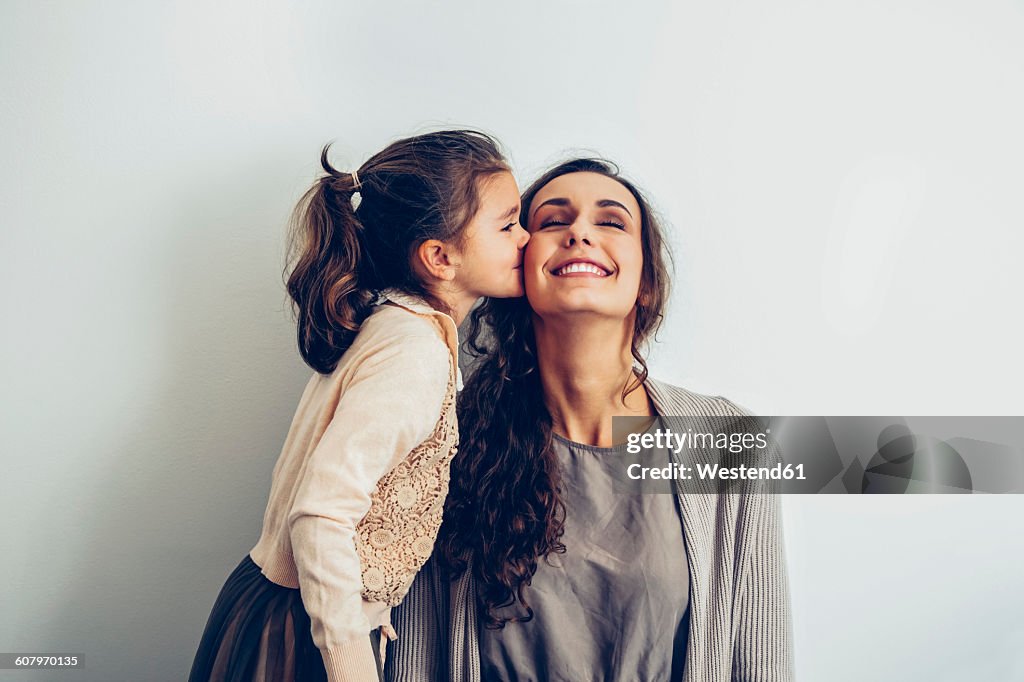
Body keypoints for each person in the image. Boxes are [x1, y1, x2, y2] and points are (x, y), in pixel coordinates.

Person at [385, 158, 793, 681]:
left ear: (646, 280)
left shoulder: (733, 444)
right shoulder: (443, 434)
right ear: (518, 267)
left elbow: (761, 661)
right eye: (554, 221)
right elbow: (415, 654)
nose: (579, 232)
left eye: (611, 221)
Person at [188, 130, 530, 682]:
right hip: (302, 635)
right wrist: (352, 665)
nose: (527, 236)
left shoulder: (399, 325)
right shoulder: (413, 354)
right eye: (509, 224)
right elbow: (320, 515)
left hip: (294, 615)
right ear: (440, 257)